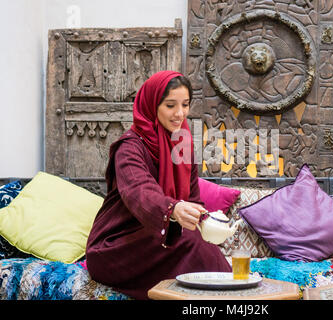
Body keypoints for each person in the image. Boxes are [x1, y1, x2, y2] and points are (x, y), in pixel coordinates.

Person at [85, 71, 232, 300]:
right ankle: (234, 297)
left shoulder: (182, 143)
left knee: (197, 246)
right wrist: (173, 209)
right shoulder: (130, 147)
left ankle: (230, 295)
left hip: (158, 240)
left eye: (185, 105)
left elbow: (193, 198)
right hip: (114, 247)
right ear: (153, 104)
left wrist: (203, 217)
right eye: (170, 105)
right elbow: (139, 191)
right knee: (188, 241)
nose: (180, 113)